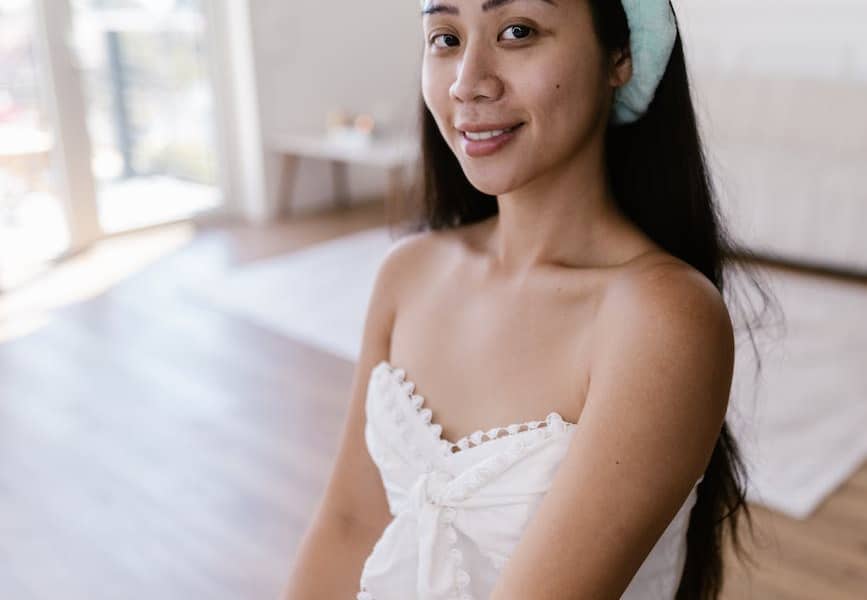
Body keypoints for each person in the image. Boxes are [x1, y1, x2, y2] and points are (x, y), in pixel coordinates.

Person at [283, 1, 777, 598]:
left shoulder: (662, 319)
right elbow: (349, 524)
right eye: (445, 37)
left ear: (620, 56)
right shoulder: (406, 275)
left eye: (518, 31)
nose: (468, 82)